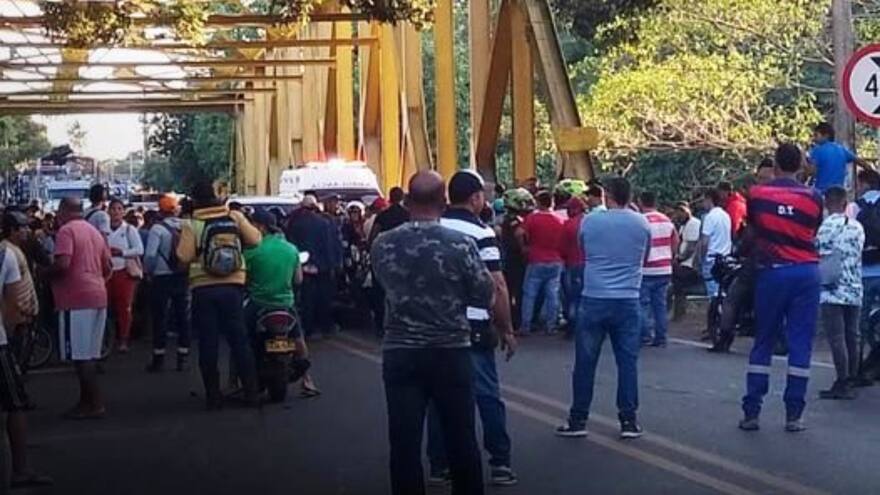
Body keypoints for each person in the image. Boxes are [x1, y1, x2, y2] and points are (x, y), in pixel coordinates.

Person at [373, 171, 494, 495]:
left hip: (400, 351)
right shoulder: (461, 244)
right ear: (443, 202)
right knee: (461, 438)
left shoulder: (383, 243)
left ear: (408, 201)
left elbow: (382, 285)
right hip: (450, 350)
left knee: (404, 443)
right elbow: (483, 294)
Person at [426, 171, 518, 487]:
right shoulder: (481, 233)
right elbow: (498, 285)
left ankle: (439, 463)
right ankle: (500, 462)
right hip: (474, 326)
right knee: (487, 395)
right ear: (476, 198)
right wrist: (506, 328)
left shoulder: (432, 228)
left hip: (435, 326)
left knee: (439, 398)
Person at [557, 177, 650, 439]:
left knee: (585, 362)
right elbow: (643, 257)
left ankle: (578, 420)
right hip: (628, 299)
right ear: (630, 196)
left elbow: (584, 251)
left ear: (608, 196)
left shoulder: (591, 221)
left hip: (594, 297)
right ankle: (628, 421)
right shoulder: (641, 223)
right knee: (627, 362)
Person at [739, 143, 823, 432]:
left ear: (775, 164)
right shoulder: (815, 197)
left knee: (763, 340)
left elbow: (753, 230)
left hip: (773, 273)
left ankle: (752, 411)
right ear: (800, 164)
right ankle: (794, 414)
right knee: (800, 343)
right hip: (807, 273)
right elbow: (813, 230)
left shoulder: (758, 195)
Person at [177, 181, 262, 409]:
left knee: (208, 342)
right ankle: (251, 393)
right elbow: (255, 240)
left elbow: (183, 257)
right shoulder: (233, 217)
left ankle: (213, 397)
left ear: (194, 200)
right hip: (234, 287)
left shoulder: (192, 223)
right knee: (239, 340)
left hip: (203, 289)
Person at [0, 212, 52, 489]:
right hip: (3, 340)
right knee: (14, 403)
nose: (26, 232)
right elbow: (10, 303)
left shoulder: (11, 253)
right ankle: (19, 469)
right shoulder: (6, 255)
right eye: (21, 228)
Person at [244, 209, 319, 397]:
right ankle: (307, 381)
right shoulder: (291, 249)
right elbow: (298, 280)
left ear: (260, 227)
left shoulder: (251, 251)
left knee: (242, 339)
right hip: (285, 305)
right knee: (298, 340)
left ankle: (238, 382)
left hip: (258, 304)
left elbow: (244, 279)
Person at [51, 197, 112, 419]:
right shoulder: (94, 232)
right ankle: (88, 402)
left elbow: (63, 264)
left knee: (79, 355)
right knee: (90, 354)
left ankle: (93, 403)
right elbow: (107, 265)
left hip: (74, 298)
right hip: (97, 295)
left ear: (65, 210)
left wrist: (44, 272)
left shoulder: (66, 231)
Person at [817, 186, 865, 400]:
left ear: (827, 203)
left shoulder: (824, 228)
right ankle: (852, 378)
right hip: (854, 286)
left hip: (831, 289)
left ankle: (842, 380)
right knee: (852, 335)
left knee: (837, 337)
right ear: (845, 204)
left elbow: (817, 252)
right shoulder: (857, 227)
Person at [143, 194, 190, 372]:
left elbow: (150, 255)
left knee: (160, 318)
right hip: (182, 275)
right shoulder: (186, 226)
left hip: (162, 277)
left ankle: (159, 357)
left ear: (160, 210)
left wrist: (148, 271)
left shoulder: (157, 229)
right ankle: (183, 357)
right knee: (182, 317)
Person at [285, 195, 340, 339]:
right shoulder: (323, 223)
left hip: (303, 265)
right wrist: (331, 265)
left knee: (306, 299)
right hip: (321, 266)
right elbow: (328, 245)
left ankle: (308, 328)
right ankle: (324, 326)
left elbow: (291, 245)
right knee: (323, 298)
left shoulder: (295, 223)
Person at [520, 190, 565, 335]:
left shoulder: (532, 218)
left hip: (536, 259)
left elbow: (518, 233)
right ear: (551, 202)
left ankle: (525, 326)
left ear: (539, 202)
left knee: (529, 294)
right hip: (556, 260)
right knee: (553, 295)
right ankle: (551, 326)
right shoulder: (560, 220)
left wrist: (524, 247)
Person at [639, 191, 679, 347]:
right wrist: (670, 257)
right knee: (660, 304)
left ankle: (645, 334)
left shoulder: (641, 221)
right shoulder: (667, 221)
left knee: (643, 304)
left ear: (641, 202)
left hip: (646, 269)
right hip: (664, 268)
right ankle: (661, 336)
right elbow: (675, 242)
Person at [106, 198, 144, 353]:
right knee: (105, 307)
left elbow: (139, 249)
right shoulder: (104, 230)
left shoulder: (129, 230)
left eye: (119, 209)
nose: (115, 212)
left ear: (123, 211)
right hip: (107, 272)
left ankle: (124, 339)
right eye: (113, 209)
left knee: (124, 308)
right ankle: (108, 339)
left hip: (124, 272)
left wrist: (121, 252)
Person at [854, 169, 880, 383]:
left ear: (863, 183)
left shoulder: (855, 207)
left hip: (862, 271)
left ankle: (856, 368)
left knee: (859, 323)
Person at [500, 188, 534, 330]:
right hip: (514, 259)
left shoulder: (512, 219)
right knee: (518, 290)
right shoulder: (513, 221)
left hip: (512, 259)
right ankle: (515, 319)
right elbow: (516, 240)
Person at [808, 122, 867, 192]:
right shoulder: (841, 149)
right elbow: (861, 162)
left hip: (822, 191)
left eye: (816, 135)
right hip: (839, 193)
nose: (814, 139)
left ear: (826, 135)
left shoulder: (817, 150)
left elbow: (811, 171)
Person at [696, 189, 732, 298]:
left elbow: (704, 241)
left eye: (703, 201)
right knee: (723, 292)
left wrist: (701, 258)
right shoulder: (726, 215)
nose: (702, 204)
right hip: (725, 258)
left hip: (711, 259)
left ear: (709, 199)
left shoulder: (709, 217)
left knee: (713, 293)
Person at [670, 202, 701, 320]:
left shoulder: (694, 224)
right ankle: (678, 312)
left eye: (680, 213)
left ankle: (678, 313)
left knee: (676, 281)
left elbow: (692, 247)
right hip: (682, 262)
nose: (678, 216)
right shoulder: (683, 225)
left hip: (690, 264)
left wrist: (679, 259)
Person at [561, 196, 587, 333]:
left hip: (572, 263)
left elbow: (562, 247)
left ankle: (572, 324)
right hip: (588, 264)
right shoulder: (590, 222)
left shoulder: (568, 224)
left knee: (573, 296)